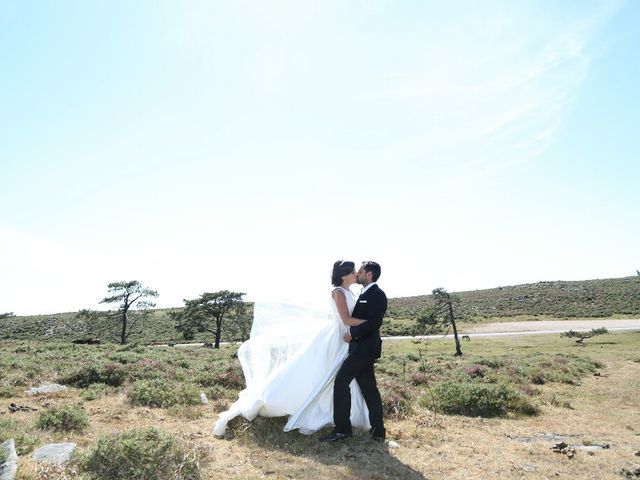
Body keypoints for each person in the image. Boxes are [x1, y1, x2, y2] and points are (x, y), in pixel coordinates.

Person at [213, 260, 372, 437]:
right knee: (327, 375)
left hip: (348, 337)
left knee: (341, 377)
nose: (355, 275)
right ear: (344, 275)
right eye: (352, 273)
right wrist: (372, 323)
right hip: (337, 338)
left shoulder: (350, 291)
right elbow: (345, 319)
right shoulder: (339, 292)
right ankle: (327, 413)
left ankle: (346, 415)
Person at [319, 261, 387, 442]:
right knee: (369, 389)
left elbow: (374, 322)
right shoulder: (362, 293)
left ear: (369, 274)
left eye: (361, 271)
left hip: (364, 348)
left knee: (341, 383)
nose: (357, 273)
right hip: (359, 347)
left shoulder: (377, 294)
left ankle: (342, 430)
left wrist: (352, 334)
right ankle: (378, 432)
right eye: (355, 271)